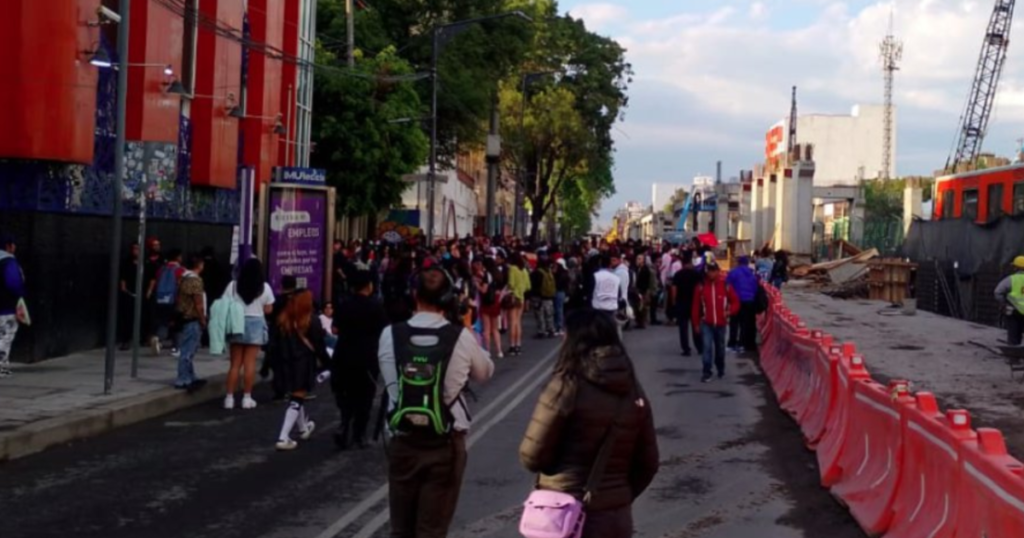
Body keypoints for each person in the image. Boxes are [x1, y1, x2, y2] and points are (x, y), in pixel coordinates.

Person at [519, 309, 660, 538]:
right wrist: (617, 495)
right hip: (615, 519)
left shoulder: (565, 385)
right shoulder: (633, 391)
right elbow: (648, 463)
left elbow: (532, 456)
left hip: (564, 514)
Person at [379, 267, 495, 538]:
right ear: (448, 299)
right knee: (432, 529)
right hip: (445, 441)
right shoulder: (459, 336)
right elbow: (485, 372)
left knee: (400, 529)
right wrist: (466, 328)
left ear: (414, 294)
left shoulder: (389, 335)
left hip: (403, 438)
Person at [332, 270, 389, 450]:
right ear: (369, 286)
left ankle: (344, 424)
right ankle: (360, 434)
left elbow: (334, 329)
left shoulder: (344, 304)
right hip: (367, 356)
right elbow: (384, 332)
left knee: (346, 392)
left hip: (344, 354)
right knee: (365, 396)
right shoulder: (376, 307)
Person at [271, 289, 331, 451]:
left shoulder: (283, 319)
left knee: (297, 394)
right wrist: (328, 363)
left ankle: (303, 428)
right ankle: (283, 437)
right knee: (297, 398)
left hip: (285, 363)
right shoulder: (312, 320)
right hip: (303, 363)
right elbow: (319, 346)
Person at [224, 258, 275, 410]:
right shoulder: (265, 287)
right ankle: (247, 398)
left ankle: (229, 398)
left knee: (235, 364)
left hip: (237, 323)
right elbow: (269, 309)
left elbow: (225, 303)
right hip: (256, 323)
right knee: (250, 363)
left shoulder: (233, 285)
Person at [692, 263, 740, 383]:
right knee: (707, 347)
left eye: (714, 271)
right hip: (706, 323)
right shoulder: (701, 287)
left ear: (718, 271)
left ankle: (720, 367)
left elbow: (735, 302)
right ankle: (707, 371)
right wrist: (696, 324)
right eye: (709, 271)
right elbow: (695, 307)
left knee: (720, 349)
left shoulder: (725, 286)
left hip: (721, 324)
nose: (711, 273)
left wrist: (728, 312)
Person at [174, 254, 208, 392]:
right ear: (199, 265)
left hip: (184, 316)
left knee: (188, 349)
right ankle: (183, 379)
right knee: (188, 350)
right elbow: (198, 303)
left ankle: (190, 375)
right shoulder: (195, 280)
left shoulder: (183, 278)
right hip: (192, 318)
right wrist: (203, 319)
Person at [263, 275, 298, 401]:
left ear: (282, 286)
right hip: (295, 334)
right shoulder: (299, 299)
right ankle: (294, 388)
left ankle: (281, 390)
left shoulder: (277, 300)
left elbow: (269, 314)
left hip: (279, 335)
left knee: (279, 364)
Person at [150, 248, 186, 355]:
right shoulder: (181, 270)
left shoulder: (161, 269)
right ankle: (177, 347)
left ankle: (158, 338)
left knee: (163, 323)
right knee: (178, 324)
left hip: (161, 300)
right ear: (178, 257)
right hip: (175, 300)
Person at [0, 233, 26, 378]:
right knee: (5, 337)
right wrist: (20, 296)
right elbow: (13, 283)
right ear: (9, 246)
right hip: (5, 308)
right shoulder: (8, 262)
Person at [725, 256, 759, 353]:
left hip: (736, 300)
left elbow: (727, 285)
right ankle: (742, 344)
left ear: (738, 263)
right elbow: (756, 287)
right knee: (745, 323)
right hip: (749, 301)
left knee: (734, 323)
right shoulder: (752, 273)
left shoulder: (733, 272)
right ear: (747, 263)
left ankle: (732, 344)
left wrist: (728, 300)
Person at [475, 258, 504, 358]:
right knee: (495, 329)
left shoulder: (487, 275)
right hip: (496, 302)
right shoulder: (498, 274)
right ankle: (499, 351)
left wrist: (477, 285)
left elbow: (484, 290)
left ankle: (487, 351)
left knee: (486, 329)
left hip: (487, 303)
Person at [995, 255, 1024, 346]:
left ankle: (1013, 350)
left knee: (1013, 334)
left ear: (1016, 267)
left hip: (1013, 311)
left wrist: (1003, 304)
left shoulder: (1011, 279)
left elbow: (998, 292)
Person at [507, 253, 531, 355]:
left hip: (513, 297)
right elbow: (528, 286)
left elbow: (511, 284)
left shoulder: (512, 269)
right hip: (521, 297)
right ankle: (518, 345)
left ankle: (512, 345)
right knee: (518, 322)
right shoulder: (524, 270)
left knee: (513, 322)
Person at [118, 243, 141, 350]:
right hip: (130, 292)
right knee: (128, 317)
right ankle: (126, 339)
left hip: (141, 292)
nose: (136, 251)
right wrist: (124, 287)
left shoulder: (145, 262)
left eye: (138, 249)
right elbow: (123, 276)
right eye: (135, 249)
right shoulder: (127, 263)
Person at [531, 257, 557, 338]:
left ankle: (541, 331)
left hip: (538, 297)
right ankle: (551, 330)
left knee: (540, 315)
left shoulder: (536, 273)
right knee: (549, 315)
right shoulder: (549, 272)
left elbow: (534, 285)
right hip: (549, 297)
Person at [633, 253, 655, 330]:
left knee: (643, 307)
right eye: (637, 259)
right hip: (638, 290)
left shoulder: (646, 270)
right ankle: (639, 321)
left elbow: (648, 282)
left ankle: (642, 322)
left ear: (643, 260)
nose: (637, 260)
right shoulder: (637, 269)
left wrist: (648, 291)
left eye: (639, 259)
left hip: (643, 290)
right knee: (638, 307)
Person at [553, 258, 571, 335]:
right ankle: (558, 326)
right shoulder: (565, 273)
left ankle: (559, 327)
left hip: (559, 292)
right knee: (559, 309)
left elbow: (559, 284)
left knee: (559, 310)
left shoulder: (560, 274)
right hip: (561, 292)